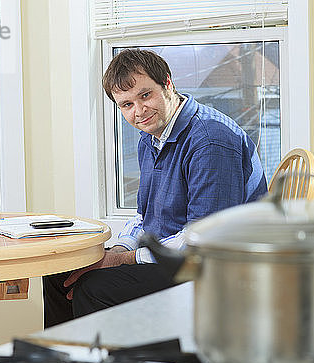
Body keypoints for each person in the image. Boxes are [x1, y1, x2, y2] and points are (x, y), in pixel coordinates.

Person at [43, 49, 268, 327]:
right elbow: (144, 216)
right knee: (59, 276)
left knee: (95, 288)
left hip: (217, 270)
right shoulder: (151, 138)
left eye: (145, 95)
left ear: (168, 84)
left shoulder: (210, 141)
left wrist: (121, 260)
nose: (138, 111)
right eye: (126, 105)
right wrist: (117, 250)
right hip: (177, 258)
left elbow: (203, 241)